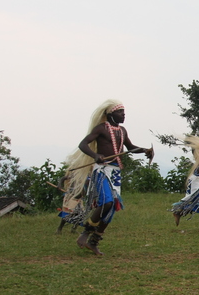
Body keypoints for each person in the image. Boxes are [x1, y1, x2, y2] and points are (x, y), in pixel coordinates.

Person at [65, 99, 153, 255]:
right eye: (120, 112)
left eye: (124, 112)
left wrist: (145, 150)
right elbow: (83, 144)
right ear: (111, 114)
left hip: (115, 172)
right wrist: (95, 155)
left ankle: (94, 241)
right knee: (107, 202)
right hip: (102, 170)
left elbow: (130, 148)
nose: (123, 115)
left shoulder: (122, 131)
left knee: (112, 207)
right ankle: (86, 232)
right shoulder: (101, 129)